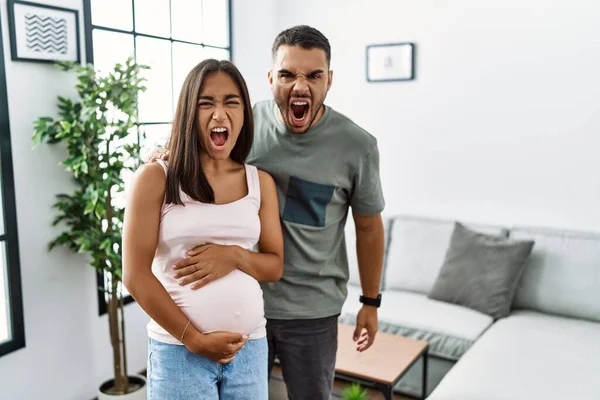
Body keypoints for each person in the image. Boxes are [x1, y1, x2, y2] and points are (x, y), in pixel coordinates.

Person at [149, 25, 385, 399]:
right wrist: (165, 152)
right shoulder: (244, 123)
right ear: (271, 78)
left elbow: (369, 229)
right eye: (288, 74)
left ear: (330, 80)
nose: (300, 86)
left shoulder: (357, 146)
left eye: (314, 75)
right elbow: (203, 136)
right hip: (248, 305)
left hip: (312, 309)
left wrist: (370, 302)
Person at [122, 59, 283, 399]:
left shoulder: (260, 182)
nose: (219, 114)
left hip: (249, 349)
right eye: (206, 103)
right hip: (179, 352)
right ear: (188, 113)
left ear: (244, 114)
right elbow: (135, 276)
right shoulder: (156, 178)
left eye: (231, 102)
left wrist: (235, 256)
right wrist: (194, 339)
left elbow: (274, 266)